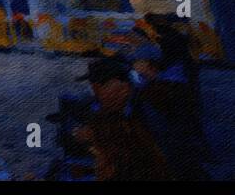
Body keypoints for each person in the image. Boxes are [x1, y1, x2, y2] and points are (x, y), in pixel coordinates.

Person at [73, 57, 170, 181]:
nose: (95, 91)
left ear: (122, 86)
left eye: (101, 85)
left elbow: (142, 159)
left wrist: (96, 136)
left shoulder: (147, 110)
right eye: (94, 85)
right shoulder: (115, 111)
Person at [132, 44, 209, 180]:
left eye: (137, 62)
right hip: (176, 140)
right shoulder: (162, 81)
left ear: (148, 64)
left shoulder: (162, 87)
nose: (134, 65)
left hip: (171, 142)